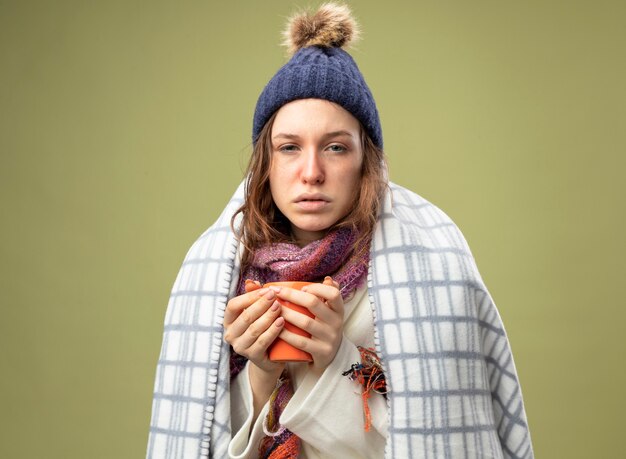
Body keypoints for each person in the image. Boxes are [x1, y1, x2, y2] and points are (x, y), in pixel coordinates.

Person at [147, 3, 533, 458]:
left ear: (365, 162)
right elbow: (195, 441)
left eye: (334, 147)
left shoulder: (431, 269)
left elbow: (434, 442)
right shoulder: (218, 277)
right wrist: (260, 375)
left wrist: (337, 359)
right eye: (289, 147)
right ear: (265, 164)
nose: (311, 172)